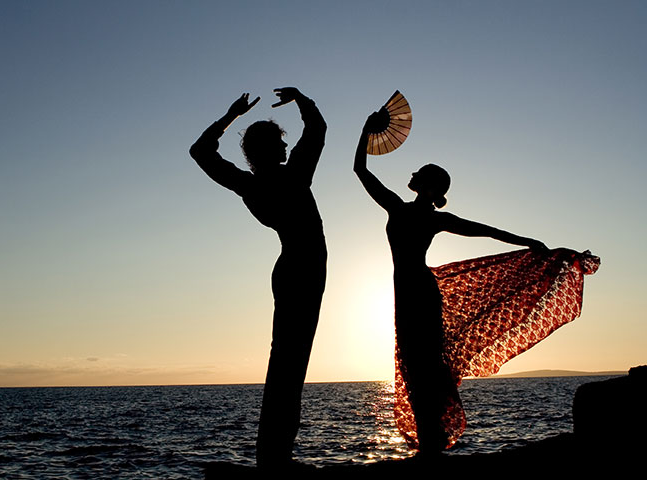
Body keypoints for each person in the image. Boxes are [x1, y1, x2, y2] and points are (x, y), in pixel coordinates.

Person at [353, 111, 547, 455]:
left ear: (427, 186)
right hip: (414, 291)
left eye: (418, 172)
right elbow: (360, 172)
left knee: (422, 363)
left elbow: (487, 230)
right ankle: (432, 438)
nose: (411, 173)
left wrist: (528, 242)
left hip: (418, 293)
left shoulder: (410, 212)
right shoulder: (413, 212)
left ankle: (431, 440)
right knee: (419, 363)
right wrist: (366, 134)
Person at [189, 87, 327, 468]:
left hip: (290, 270)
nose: (285, 148)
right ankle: (275, 457)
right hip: (304, 269)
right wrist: (302, 100)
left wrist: (230, 116)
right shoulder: (294, 176)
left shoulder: (249, 185)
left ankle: (274, 452)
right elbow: (317, 130)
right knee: (291, 361)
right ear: (271, 149)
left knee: (285, 359)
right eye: (280, 143)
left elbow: (200, 152)